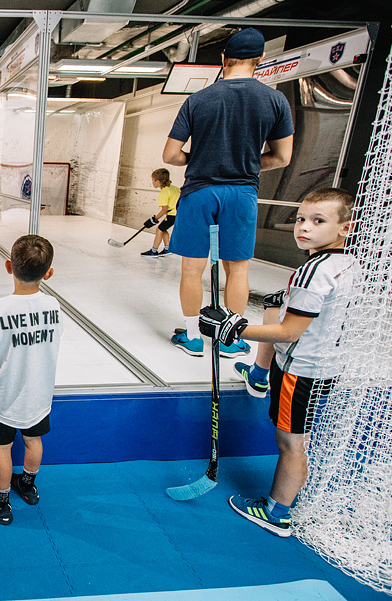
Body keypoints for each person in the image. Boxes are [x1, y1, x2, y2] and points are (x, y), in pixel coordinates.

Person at [199, 188, 357, 537]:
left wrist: (233, 327)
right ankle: (258, 374)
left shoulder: (313, 272)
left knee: (290, 444)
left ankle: (276, 511)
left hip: (300, 372)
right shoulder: (345, 263)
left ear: (345, 228)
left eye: (318, 221)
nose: (304, 227)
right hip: (325, 367)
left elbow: (287, 332)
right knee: (297, 438)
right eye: (301, 219)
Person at [163, 27, 294, 358]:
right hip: (242, 193)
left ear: (223, 59)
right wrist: (245, 163)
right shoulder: (275, 100)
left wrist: (201, 159)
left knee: (193, 268)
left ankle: (192, 337)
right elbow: (282, 157)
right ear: (261, 59)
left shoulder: (198, 99)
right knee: (238, 269)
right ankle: (230, 340)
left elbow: (170, 155)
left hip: (199, 192)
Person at [0, 235, 63, 525]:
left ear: (9, 267)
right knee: (33, 441)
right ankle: (29, 485)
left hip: (6, 398)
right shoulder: (54, 306)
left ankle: (0, 502)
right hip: (39, 396)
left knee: (2, 449)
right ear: (48, 273)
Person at [140, 167, 180, 257]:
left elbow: (164, 209)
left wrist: (154, 219)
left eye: (153, 181)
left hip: (172, 215)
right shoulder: (174, 188)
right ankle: (167, 248)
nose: (152, 183)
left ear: (158, 182)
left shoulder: (163, 193)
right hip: (178, 214)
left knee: (159, 230)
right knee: (163, 229)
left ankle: (154, 251)